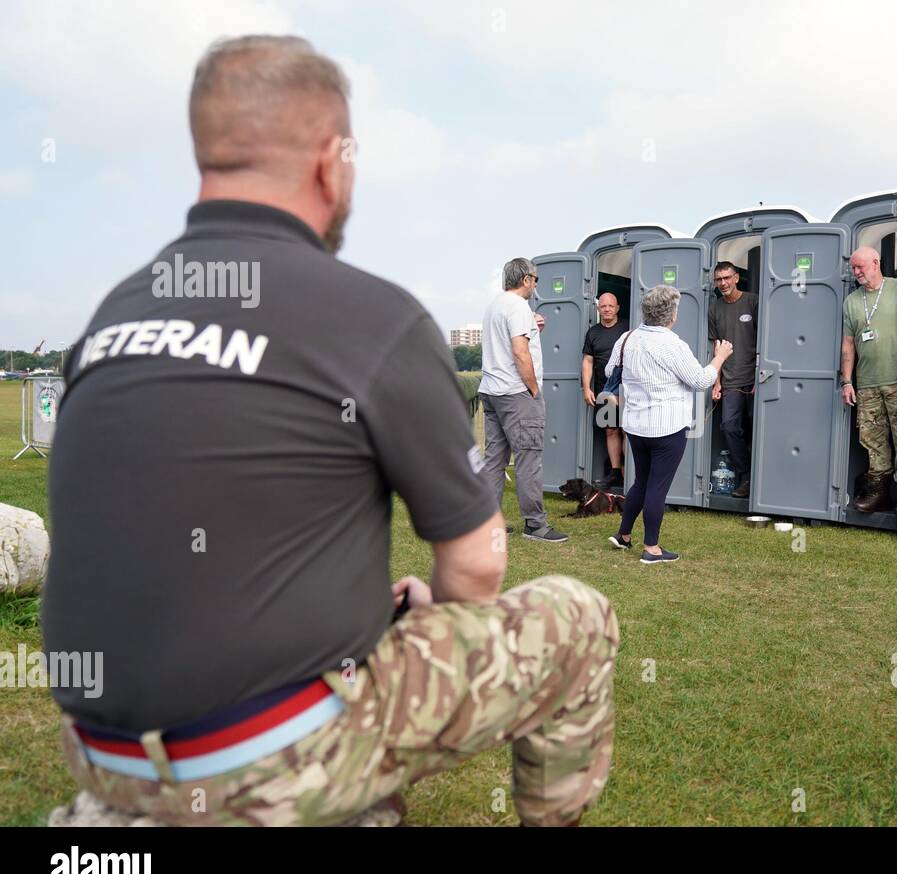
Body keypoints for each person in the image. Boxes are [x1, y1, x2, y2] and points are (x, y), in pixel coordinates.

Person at [40, 35, 616, 827]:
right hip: (269, 756)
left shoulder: (115, 316)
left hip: (108, 757)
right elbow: (478, 568)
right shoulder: (369, 317)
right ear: (328, 161)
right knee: (578, 617)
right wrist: (430, 611)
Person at [608, 285, 732, 563]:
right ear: (671, 315)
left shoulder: (626, 339)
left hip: (635, 425)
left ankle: (623, 535)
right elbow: (700, 380)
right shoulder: (673, 344)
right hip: (666, 427)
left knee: (641, 480)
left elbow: (610, 371)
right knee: (657, 487)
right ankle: (651, 548)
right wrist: (720, 357)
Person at [479, 256, 568, 542]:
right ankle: (535, 524)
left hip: (491, 391)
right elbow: (519, 352)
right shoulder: (518, 307)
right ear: (526, 279)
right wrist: (533, 389)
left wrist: (531, 326)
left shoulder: (495, 305)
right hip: (516, 393)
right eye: (536, 279)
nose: (536, 284)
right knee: (529, 458)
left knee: (495, 460)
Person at [840, 246, 897, 513]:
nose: (856, 272)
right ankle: (880, 495)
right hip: (867, 384)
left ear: (876, 263)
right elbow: (848, 344)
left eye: (860, 267)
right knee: (873, 440)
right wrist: (847, 381)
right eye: (853, 268)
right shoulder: (852, 301)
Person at [708, 261, 757, 498]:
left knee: (757, 429)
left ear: (737, 277)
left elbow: (766, 340)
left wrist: (760, 376)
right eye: (719, 280)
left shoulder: (753, 301)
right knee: (729, 426)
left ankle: (762, 478)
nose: (723, 283)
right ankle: (746, 476)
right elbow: (715, 347)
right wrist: (716, 382)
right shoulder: (715, 308)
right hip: (731, 381)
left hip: (757, 379)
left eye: (727, 278)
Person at [582, 292, 628, 487]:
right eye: (603, 306)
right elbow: (587, 361)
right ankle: (616, 472)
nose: (607, 309)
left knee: (628, 430)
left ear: (617, 308)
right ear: (598, 309)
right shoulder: (593, 333)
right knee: (611, 430)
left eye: (610, 306)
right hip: (605, 392)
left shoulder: (628, 327)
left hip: (628, 390)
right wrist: (586, 388)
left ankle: (632, 473)